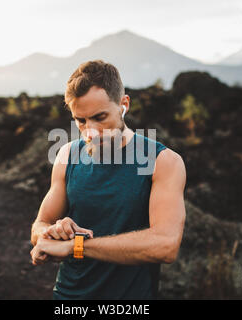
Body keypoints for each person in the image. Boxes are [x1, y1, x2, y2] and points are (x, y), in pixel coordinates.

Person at [30, 60, 186, 299]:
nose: (90, 131)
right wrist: (54, 232)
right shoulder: (67, 155)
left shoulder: (163, 162)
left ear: (124, 105)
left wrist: (77, 246)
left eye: (100, 117)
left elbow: (166, 245)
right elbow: (39, 226)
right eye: (80, 121)